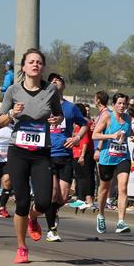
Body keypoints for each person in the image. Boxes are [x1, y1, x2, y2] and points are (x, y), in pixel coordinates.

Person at [0, 48, 62, 264]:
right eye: (31, 62)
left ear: (42, 67)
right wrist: (12, 114)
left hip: (41, 152)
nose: (35, 65)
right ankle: (22, 247)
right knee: (22, 202)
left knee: (43, 202)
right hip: (18, 151)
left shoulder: (51, 90)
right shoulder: (13, 90)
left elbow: (59, 114)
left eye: (39, 62)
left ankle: (34, 218)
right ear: (24, 67)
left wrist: (57, 120)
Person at [42, 73, 87, 242]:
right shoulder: (43, 105)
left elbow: (84, 124)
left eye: (58, 80)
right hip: (48, 154)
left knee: (63, 197)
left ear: (64, 85)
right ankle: (51, 230)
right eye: (51, 81)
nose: (54, 82)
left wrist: (76, 138)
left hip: (65, 155)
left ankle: (52, 211)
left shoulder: (70, 107)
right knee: (53, 193)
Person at [93, 93, 134, 234]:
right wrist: (111, 135)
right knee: (104, 188)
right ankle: (101, 214)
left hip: (123, 157)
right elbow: (94, 135)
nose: (122, 106)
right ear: (113, 105)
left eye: (124, 104)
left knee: (123, 187)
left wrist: (133, 136)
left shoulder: (128, 118)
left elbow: (127, 134)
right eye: (119, 103)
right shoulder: (107, 116)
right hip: (107, 157)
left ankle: (121, 222)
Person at [70, 103, 95, 211]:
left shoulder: (84, 123)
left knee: (85, 176)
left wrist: (82, 155)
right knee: (80, 176)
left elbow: (85, 141)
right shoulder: (78, 123)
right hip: (77, 152)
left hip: (83, 153)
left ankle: (83, 199)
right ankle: (81, 198)